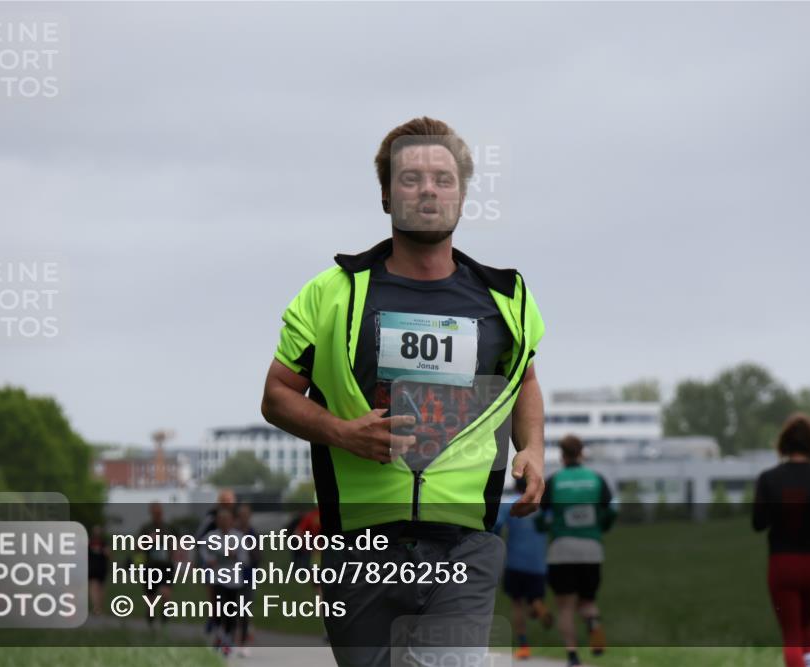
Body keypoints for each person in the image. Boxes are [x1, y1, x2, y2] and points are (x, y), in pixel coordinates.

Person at [262, 116, 546, 667]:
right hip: (360, 546)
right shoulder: (332, 293)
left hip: (464, 540)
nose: (428, 191)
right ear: (387, 196)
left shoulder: (505, 299)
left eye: (442, 178)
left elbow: (526, 380)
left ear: (462, 194)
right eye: (410, 178)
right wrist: (343, 432)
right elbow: (277, 394)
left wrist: (530, 447)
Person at [753, 413, 810, 667]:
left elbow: (758, 523)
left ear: (784, 443)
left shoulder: (768, 479)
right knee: (806, 625)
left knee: (791, 634)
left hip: (782, 565)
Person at [539, 435, 616, 665]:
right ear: (581, 453)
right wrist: (601, 528)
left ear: (562, 455)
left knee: (565, 607)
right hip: (591, 549)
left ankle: (572, 656)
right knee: (588, 601)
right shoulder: (596, 479)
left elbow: (542, 515)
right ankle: (593, 622)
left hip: (562, 549)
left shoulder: (554, 481)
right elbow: (610, 512)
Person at [494, 476, 552, 660]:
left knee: (517, 604)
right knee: (534, 597)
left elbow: (496, 526)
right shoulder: (541, 507)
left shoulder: (510, 504)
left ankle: (524, 646)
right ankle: (537, 605)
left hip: (515, 563)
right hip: (538, 564)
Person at [199, 506, 249, 656]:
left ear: (232, 521)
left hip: (233, 580)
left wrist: (235, 556)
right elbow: (203, 551)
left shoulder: (239, 537)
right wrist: (209, 560)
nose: (224, 522)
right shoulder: (210, 537)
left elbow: (245, 558)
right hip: (217, 579)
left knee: (231, 613)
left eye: (227, 519)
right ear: (217, 521)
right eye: (221, 519)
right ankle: (220, 637)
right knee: (219, 610)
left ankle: (226, 640)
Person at [136, 501, 177, 630]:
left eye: (159, 512)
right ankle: (151, 620)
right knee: (151, 599)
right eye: (154, 513)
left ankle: (164, 620)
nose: (157, 515)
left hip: (166, 565)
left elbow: (178, 545)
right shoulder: (146, 528)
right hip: (151, 566)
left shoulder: (169, 528)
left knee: (166, 594)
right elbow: (137, 547)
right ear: (151, 513)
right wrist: (148, 541)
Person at [234, 503, 261, 656]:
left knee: (244, 609)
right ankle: (230, 637)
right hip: (230, 577)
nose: (244, 518)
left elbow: (258, 557)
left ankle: (243, 641)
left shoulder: (253, 533)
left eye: (247, 515)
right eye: (242, 515)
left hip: (248, 576)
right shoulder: (232, 533)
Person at [86, 524, 110, 615]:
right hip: (99, 567)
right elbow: (109, 555)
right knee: (99, 588)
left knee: (95, 588)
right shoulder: (104, 543)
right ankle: (98, 607)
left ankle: (97, 607)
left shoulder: (89, 542)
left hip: (96, 567)